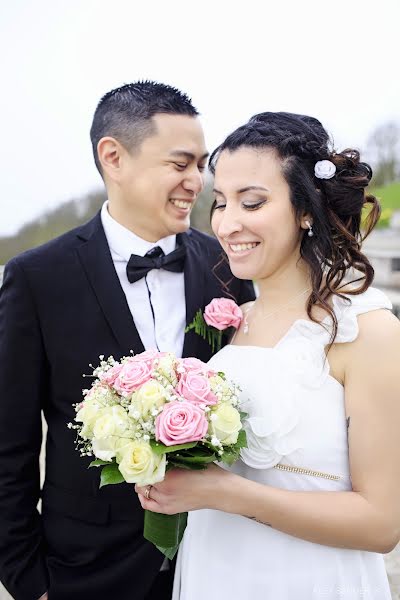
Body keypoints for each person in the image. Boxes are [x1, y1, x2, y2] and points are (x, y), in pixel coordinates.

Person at [0, 81, 255, 600]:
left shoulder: (229, 269)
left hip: (216, 566)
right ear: (113, 157)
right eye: (180, 163)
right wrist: (30, 582)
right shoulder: (36, 277)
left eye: (201, 164)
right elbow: (9, 446)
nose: (196, 182)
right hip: (85, 574)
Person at [135, 112, 400, 600]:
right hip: (215, 572)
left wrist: (225, 493)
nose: (227, 223)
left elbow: (382, 523)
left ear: (306, 209)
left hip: (309, 581)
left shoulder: (367, 330)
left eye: (252, 202)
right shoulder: (232, 321)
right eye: (219, 203)